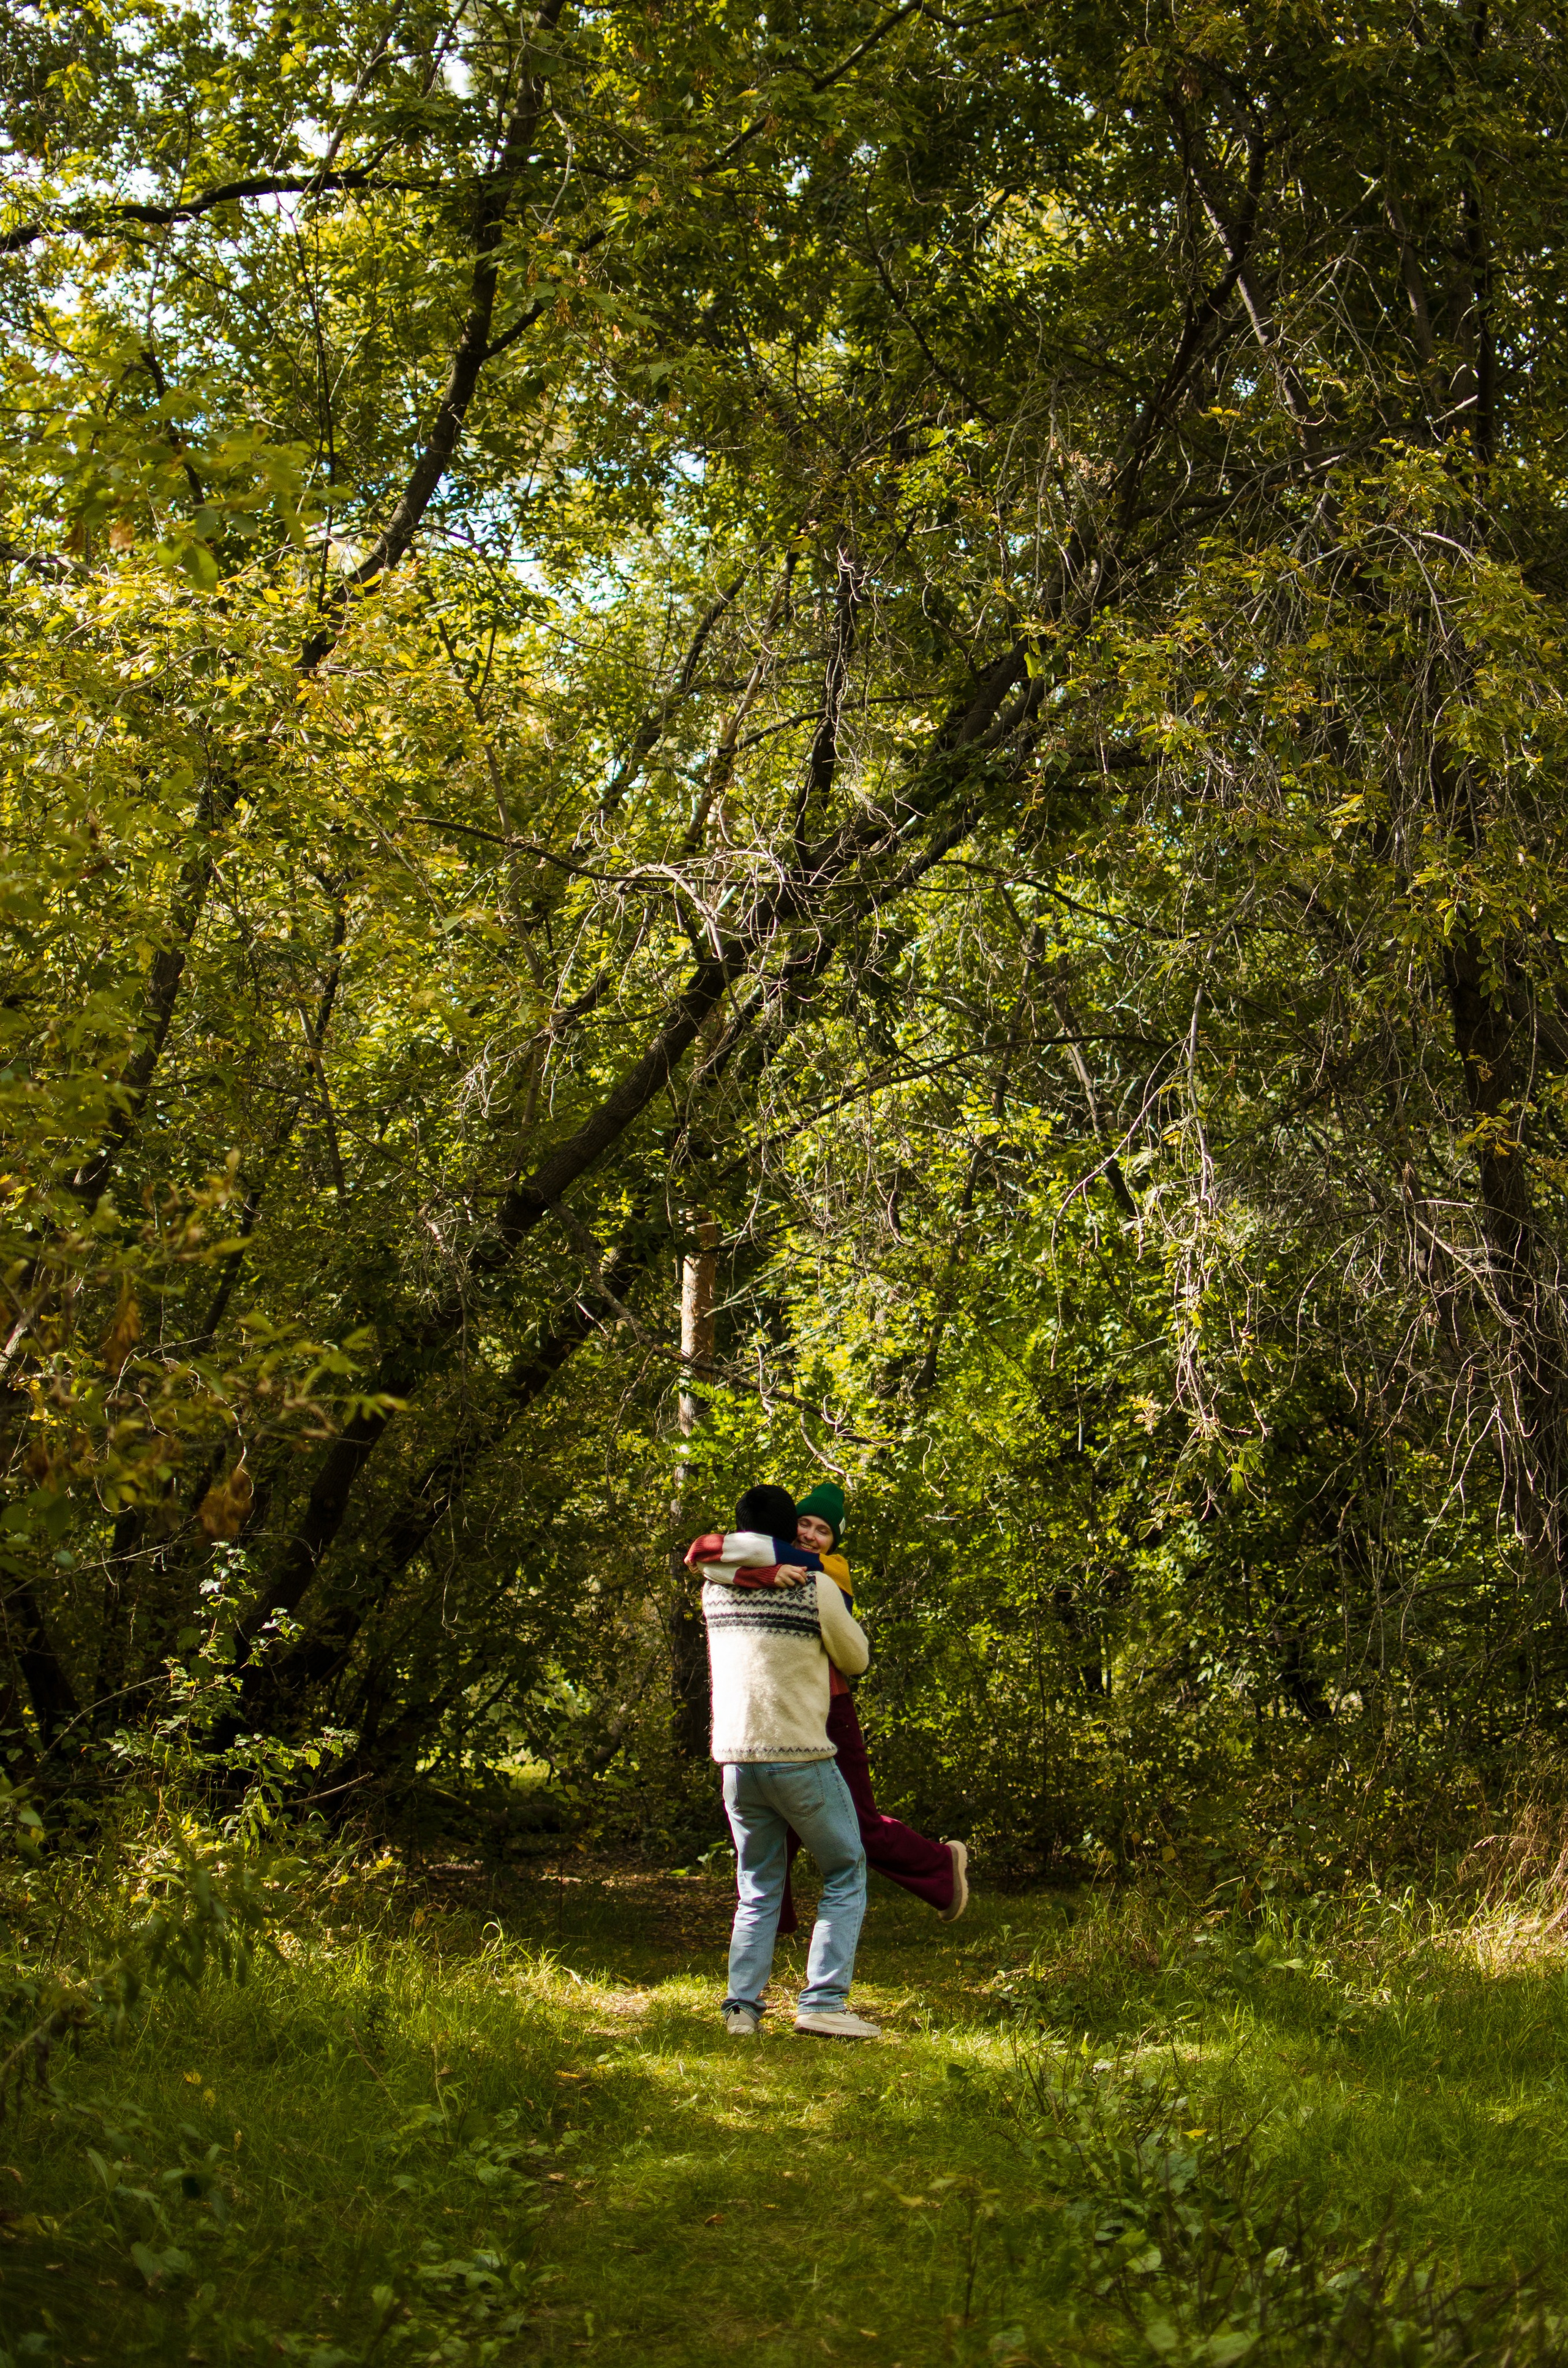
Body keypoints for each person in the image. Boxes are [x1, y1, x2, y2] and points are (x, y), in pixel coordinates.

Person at [687, 1482, 969, 1932]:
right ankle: (772, 1920)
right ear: (789, 1523)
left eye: (823, 1530)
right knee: (776, 1823)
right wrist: (754, 1573)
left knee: (858, 1820)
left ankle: (941, 1867)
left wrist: (753, 1563)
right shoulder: (769, 1558)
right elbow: (704, 1554)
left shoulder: (829, 1570)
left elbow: (709, 1555)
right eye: (805, 1523)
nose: (811, 1535)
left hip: (830, 1703)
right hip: (780, 1708)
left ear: (834, 1541)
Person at [694, 1486, 881, 2041]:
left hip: (735, 1759)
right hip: (799, 1753)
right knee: (846, 1868)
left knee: (757, 1883)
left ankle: (741, 2009)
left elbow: (710, 1560)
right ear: (785, 1534)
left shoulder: (715, 1590)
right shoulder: (815, 1586)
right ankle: (823, 2001)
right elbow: (857, 1659)